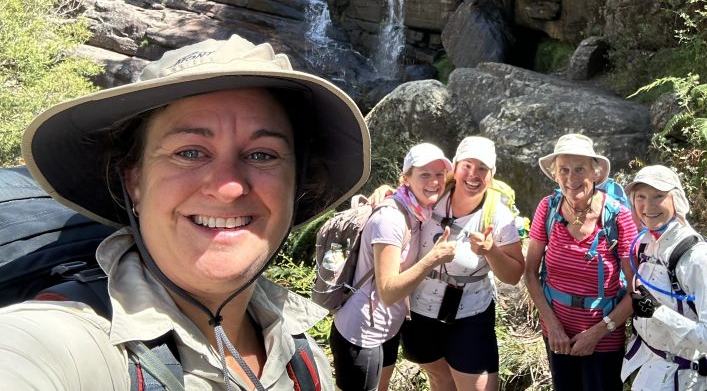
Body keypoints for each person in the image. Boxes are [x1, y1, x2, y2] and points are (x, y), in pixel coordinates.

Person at [0, 34, 373, 390]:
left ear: (296, 185)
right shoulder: (66, 343)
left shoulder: (304, 358)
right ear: (135, 181)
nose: (228, 188)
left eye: (262, 155)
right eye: (189, 152)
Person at [398, 136, 525, 391]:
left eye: (482, 168)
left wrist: (491, 251)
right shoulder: (432, 195)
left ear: (491, 174)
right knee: (439, 380)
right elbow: (400, 194)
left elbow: (513, 275)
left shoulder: (499, 216)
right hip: (421, 309)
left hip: (470, 313)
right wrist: (382, 193)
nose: (473, 174)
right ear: (455, 167)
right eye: (467, 165)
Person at [330, 143, 458, 391]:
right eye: (424, 174)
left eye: (439, 175)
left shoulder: (418, 208)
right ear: (406, 179)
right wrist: (433, 258)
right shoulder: (391, 219)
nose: (434, 182)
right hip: (361, 333)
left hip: (386, 328)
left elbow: (461, 179)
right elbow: (388, 291)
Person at [524, 133, 637, 391]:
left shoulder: (618, 217)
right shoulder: (548, 209)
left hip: (605, 338)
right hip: (556, 334)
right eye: (563, 170)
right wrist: (552, 326)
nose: (571, 178)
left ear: (595, 173)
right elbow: (530, 273)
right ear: (555, 174)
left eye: (579, 169)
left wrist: (597, 333)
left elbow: (636, 290)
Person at [621, 165, 707, 391]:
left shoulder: (697, 258)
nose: (648, 206)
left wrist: (659, 313)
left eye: (659, 196)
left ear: (677, 200)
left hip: (679, 378)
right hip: (644, 366)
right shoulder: (647, 242)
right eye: (640, 197)